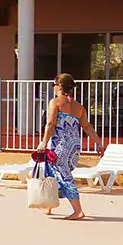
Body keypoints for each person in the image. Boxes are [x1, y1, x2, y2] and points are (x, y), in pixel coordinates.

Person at [39, 72, 103, 220]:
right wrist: (98, 144)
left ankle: (78, 210)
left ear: (60, 86)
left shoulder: (55, 103)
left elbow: (50, 124)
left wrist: (43, 142)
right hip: (74, 145)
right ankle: (48, 206)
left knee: (64, 176)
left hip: (60, 144)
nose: (54, 88)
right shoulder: (79, 107)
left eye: (55, 85)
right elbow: (87, 127)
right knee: (53, 172)